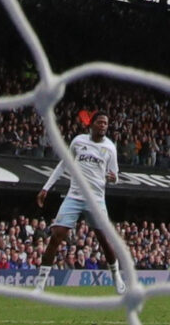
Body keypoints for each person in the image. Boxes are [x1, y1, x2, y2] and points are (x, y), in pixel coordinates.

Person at [36, 112, 120, 272]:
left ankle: (116, 276)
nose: (103, 125)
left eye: (106, 123)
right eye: (100, 122)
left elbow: (115, 176)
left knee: (103, 240)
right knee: (56, 236)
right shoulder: (78, 141)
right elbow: (63, 164)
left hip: (96, 199)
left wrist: (113, 178)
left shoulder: (110, 147)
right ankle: (40, 284)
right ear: (92, 124)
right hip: (74, 196)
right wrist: (46, 187)